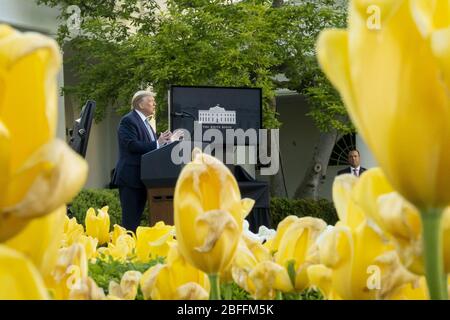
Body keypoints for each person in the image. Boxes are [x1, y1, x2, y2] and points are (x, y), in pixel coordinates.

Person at [112, 90, 172, 231]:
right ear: (140, 104)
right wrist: (158, 142)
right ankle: (126, 251)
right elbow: (132, 145)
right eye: (151, 101)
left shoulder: (146, 123)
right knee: (130, 222)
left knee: (136, 220)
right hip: (130, 178)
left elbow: (152, 148)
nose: (154, 104)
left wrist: (167, 141)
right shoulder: (128, 121)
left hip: (143, 178)